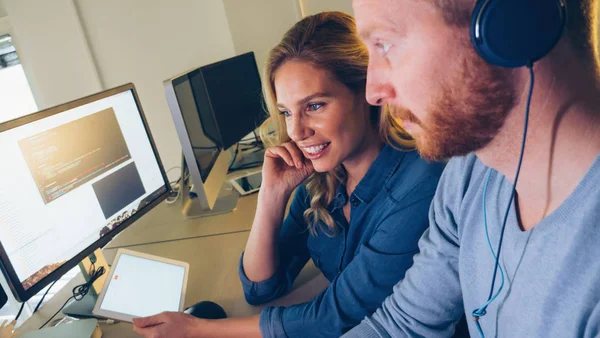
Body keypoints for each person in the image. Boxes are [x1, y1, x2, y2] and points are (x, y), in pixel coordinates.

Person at [132, 11, 445, 338]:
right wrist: (271, 196)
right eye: (285, 112)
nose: (295, 130)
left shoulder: (418, 184)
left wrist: (199, 328)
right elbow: (261, 288)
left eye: (315, 106)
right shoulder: (325, 177)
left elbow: (333, 317)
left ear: (368, 93)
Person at [343, 0, 600, 337]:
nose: (373, 92)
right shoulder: (469, 174)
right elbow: (400, 327)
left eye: (385, 44)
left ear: (510, 24)